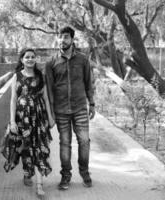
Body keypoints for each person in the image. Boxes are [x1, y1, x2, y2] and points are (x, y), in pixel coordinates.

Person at [45, 26, 95, 190]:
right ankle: (66, 175)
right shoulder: (51, 62)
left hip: (80, 107)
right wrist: (51, 113)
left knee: (84, 141)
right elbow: (49, 90)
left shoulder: (82, 59)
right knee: (65, 143)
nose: (62, 40)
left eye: (65, 37)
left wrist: (92, 103)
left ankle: (84, 171)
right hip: (61, 110)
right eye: (60, 37)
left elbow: (89, 83)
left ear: (72, 39)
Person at [2, 48, 54, 197]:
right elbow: (13, 99)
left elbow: (45, 99)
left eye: (32, 57)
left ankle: (39, 185)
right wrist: (12, 121)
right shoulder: (16, 77)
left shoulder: (40, 76)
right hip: (21, 117)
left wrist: (50, 117)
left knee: (39, 147)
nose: (30, 59)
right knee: (23, 146)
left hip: (38, 117)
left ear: (35, 59)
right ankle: (26, 172)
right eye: (27, 57)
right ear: (22, 60)